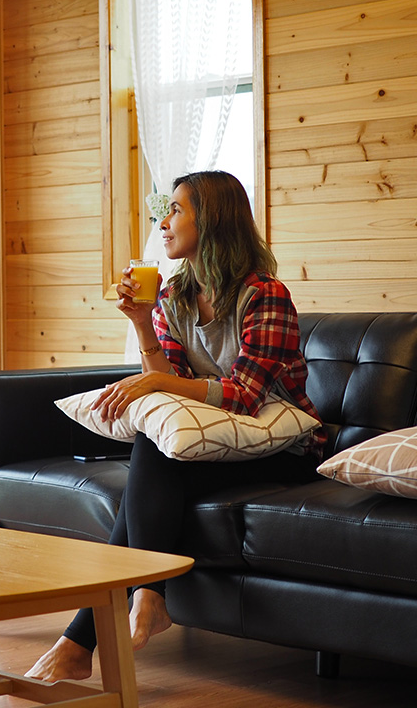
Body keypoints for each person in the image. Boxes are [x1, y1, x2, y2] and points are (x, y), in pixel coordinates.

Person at [24, 170, 325, 683]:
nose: (163, 223)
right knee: (156, 443)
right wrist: (142, 322)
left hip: (284, 450)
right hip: (217, 442)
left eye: (176, 211)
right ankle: (139, 601)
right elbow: (174, 383)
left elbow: (244, 395)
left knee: (152, 461)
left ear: (212, 220)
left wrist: (154, 383)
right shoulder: (174, 296)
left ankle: (88, 635)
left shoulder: (265, 295)